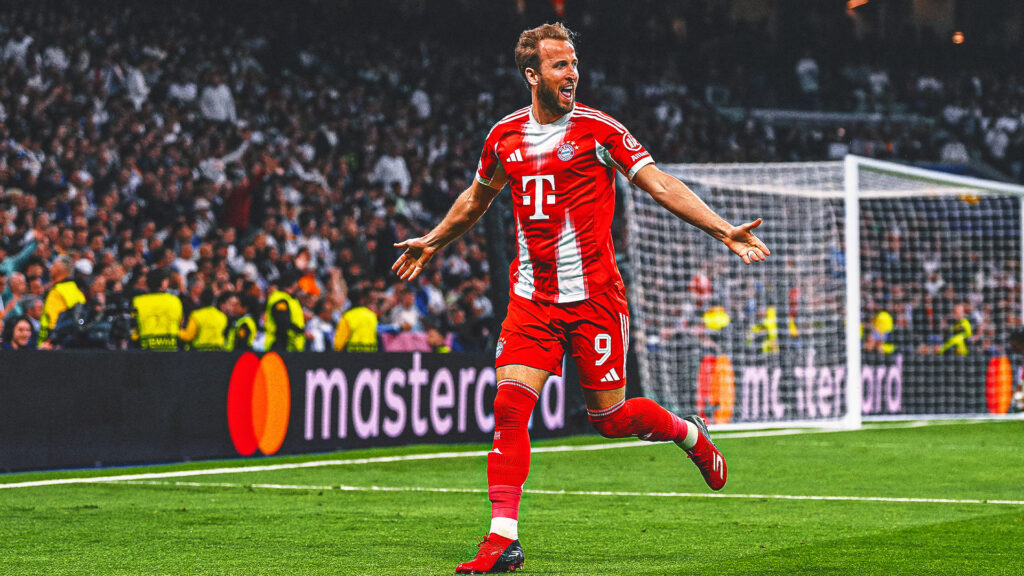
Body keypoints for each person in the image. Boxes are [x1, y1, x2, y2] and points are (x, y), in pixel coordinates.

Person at [392, 23, 770, 574]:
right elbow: (476, 199)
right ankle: (502, 538)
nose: (572, 74)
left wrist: (722, 230)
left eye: (574, 64)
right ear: (532, 74)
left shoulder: (599, 130)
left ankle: (689, 432)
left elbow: (660, 183)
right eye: (560, 65)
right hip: (532, 300)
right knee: (509, 407)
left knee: (610, 418)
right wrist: (433, 240)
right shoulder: (503, 137)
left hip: (595, 300)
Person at [37, 257, 86, 347]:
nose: (50, 269)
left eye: (53, 266)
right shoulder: (77, 293)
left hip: (49, 345)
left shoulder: (58, 292)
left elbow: (53, 322)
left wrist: (49, 342)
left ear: (59, 269)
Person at [131, 268, 184, 351]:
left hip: (146, 349)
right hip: (171, 348)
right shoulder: (175, 301)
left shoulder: (137, 301)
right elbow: (180, 323)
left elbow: (133, 326)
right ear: (163, 283)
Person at [264, 271, 305, 352]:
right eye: (297, 282)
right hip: (279, 346)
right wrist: (300, 331)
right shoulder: (280, 300)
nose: (299, 285)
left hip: (292, 347)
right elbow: (282, 322)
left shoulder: (292, 299)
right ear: (292, 284)